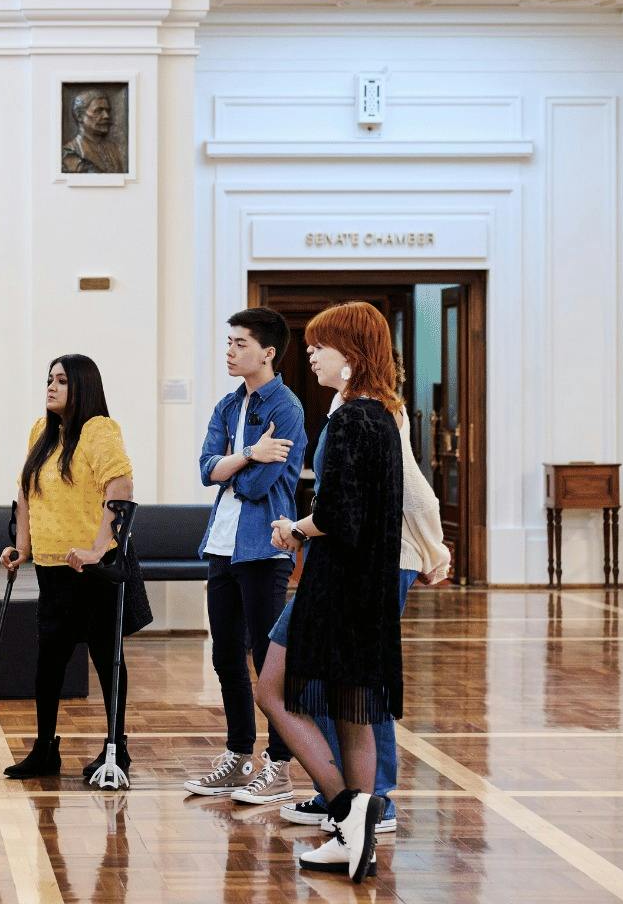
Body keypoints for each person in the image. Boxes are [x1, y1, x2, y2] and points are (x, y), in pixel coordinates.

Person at [255, 301, 405, 884]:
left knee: (271, 689)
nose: (311, 353)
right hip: (366, 585)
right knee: (354, 709)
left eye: (321, 345)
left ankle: (348, 812)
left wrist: (296, 528)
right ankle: (353, 833)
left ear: (353, 355)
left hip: (335, 584)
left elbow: (339, 512)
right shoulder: (383, 414)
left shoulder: (349, 419)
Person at [279, 372, 450, 834]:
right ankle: (344, 796)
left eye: (320, 346)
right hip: (350, 561)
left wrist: (435, 553)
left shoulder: (373, 412)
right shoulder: (346, 404)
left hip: (383, 561)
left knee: (359, 682)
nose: (310, 355)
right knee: (338, 679)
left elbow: (415, 494)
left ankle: (375, 801)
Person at [0, 354, 151, 781]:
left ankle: (115, 749)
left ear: (82, 386)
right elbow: (26, 493)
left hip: (91, 568)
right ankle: (45, 749)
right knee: (48, 661)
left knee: (107, 659)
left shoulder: (99, 430)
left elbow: (120, 489)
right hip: (51, 567)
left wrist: (100, 547)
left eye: (61, 381)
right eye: (49, 379)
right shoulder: (42, 432)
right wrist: (21, 547)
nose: (50, 386)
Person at [182, 308, 306, 805]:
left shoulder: (288, 407)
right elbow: (206, 469)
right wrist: (251, 453)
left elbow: (255, 486)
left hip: (263, 547)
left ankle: (278, 765)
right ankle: (238, 755)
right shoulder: (228, 405)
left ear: (267, 352)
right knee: (224, 653)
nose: (229, 352)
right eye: (228, 342)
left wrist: (239, 464)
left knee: (265, 657)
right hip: (222, 542)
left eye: (239, 344)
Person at [60, 90, 128, 174]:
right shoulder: (69, 151)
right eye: (98, 111)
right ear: (79, 116)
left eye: (107, 111)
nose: (106, 116)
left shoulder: (114, 149)